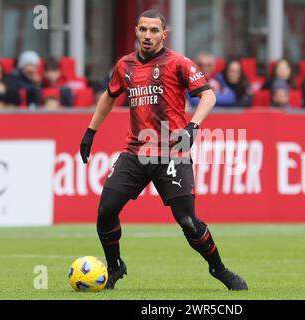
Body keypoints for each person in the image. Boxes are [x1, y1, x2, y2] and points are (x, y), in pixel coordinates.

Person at [79, 10, 247, 291]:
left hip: (172, 151)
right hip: (136, 151)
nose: (148, 36)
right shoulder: (125, 65)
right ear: (135, 31)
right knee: (106, 210)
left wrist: (193, 126)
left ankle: (219, 270)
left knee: (188, 221)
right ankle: (115, 266)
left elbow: (208, 95)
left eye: (154, 31)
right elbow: (110, 96)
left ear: (163, 34)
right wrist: (90, 131)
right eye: (143, 30)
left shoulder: (178, 63)